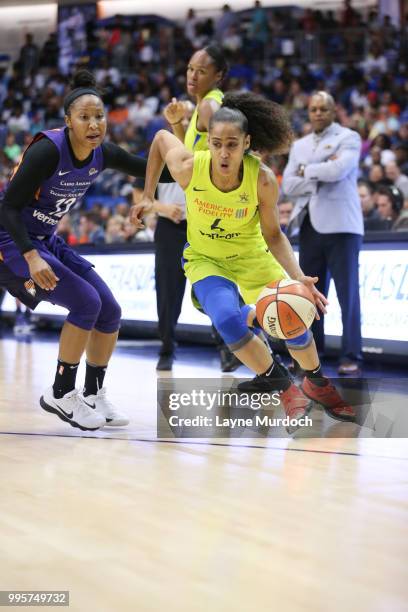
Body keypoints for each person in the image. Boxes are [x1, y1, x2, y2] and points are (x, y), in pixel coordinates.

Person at [130, 91, 356, 431]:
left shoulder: (262, 178)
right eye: (217, 143)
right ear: (208, 142)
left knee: (293, 315)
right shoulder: (192, 168)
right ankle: (283, 388)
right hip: (206, 259)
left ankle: (316, 382)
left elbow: (274, 235)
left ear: (247, 142)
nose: (223, 152)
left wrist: (299, 277)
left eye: (232, 144)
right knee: (227, 319)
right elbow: (162, 140)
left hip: (251, 255)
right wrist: (148, 194)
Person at [0, 69, 172, 432]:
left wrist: (184, 148)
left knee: (109, 310)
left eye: (99, 117)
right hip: (11, 242)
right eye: (85, 117)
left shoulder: (102, 153)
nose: (94, 124)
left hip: (46, 238)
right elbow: (7, 208)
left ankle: (93, 394)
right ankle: (61, 393)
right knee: (85, 303)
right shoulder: (47, 151)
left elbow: (156, 170)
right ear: (68, 122)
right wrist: (30, 256)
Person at [164, 44, 241, 373]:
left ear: (218, 76)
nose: (193, 75)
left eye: (201, 70)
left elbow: (216, 163)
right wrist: (179, 125)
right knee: (212, 290)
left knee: (214, 289)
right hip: (205, 213)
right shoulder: (200, 108)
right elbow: (188, 156)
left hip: (213, 214)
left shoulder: (210, 106)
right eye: (189, 69)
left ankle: (250, 342)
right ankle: (245, 344)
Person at [282, 91, 363, 376]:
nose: (317, 113)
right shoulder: (300, 144)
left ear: (333, 110)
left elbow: (340, 170)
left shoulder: (349, 137)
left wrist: (307, 171)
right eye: (313, 109)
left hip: (343, 226)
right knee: (310, 297)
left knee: (347, 295)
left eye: (323, 109)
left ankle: (351, 355)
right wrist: (320, 170)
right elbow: (288, 186)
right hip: (309, 225)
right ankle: (311, 357)